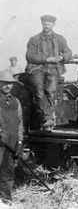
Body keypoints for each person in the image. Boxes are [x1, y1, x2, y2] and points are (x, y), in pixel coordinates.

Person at [26, 15, 72, 131]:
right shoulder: (34, 39)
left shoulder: (60, 39)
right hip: (37, 68)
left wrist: (62, 57)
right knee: (38, 90)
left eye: (49, 23)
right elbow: (30, 56)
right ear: (42, 24)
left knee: (51, 91)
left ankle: (50, 117)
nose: (47, 25)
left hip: (53, 69)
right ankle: (47, 118)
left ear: (53, 25)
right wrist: (46, 59)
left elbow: (68, 52)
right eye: (45, 23)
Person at [0, 71, 23, 203]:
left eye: (10, 83)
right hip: (0, 143)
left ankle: (6, 198)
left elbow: (20, 123)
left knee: (8, 172)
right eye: (4, 83)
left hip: (11, 142)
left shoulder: (16, 102)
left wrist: (19, 142)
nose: (7, 86)